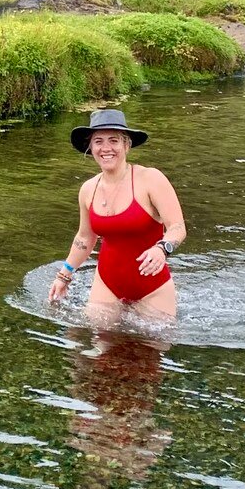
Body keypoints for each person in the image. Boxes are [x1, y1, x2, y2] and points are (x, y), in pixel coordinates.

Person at [49, 108, 186, 326]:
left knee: (148, 354)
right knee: (98, 352)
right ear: (90, 147)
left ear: (126, 145)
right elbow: (85, 238)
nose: (106, 148)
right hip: (107, 284)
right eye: (98, 141)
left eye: (113, 140)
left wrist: (162, 248)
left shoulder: (151, 179)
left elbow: (177, 227)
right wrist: (63, 275)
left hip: (152, 287)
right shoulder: (88, 189)